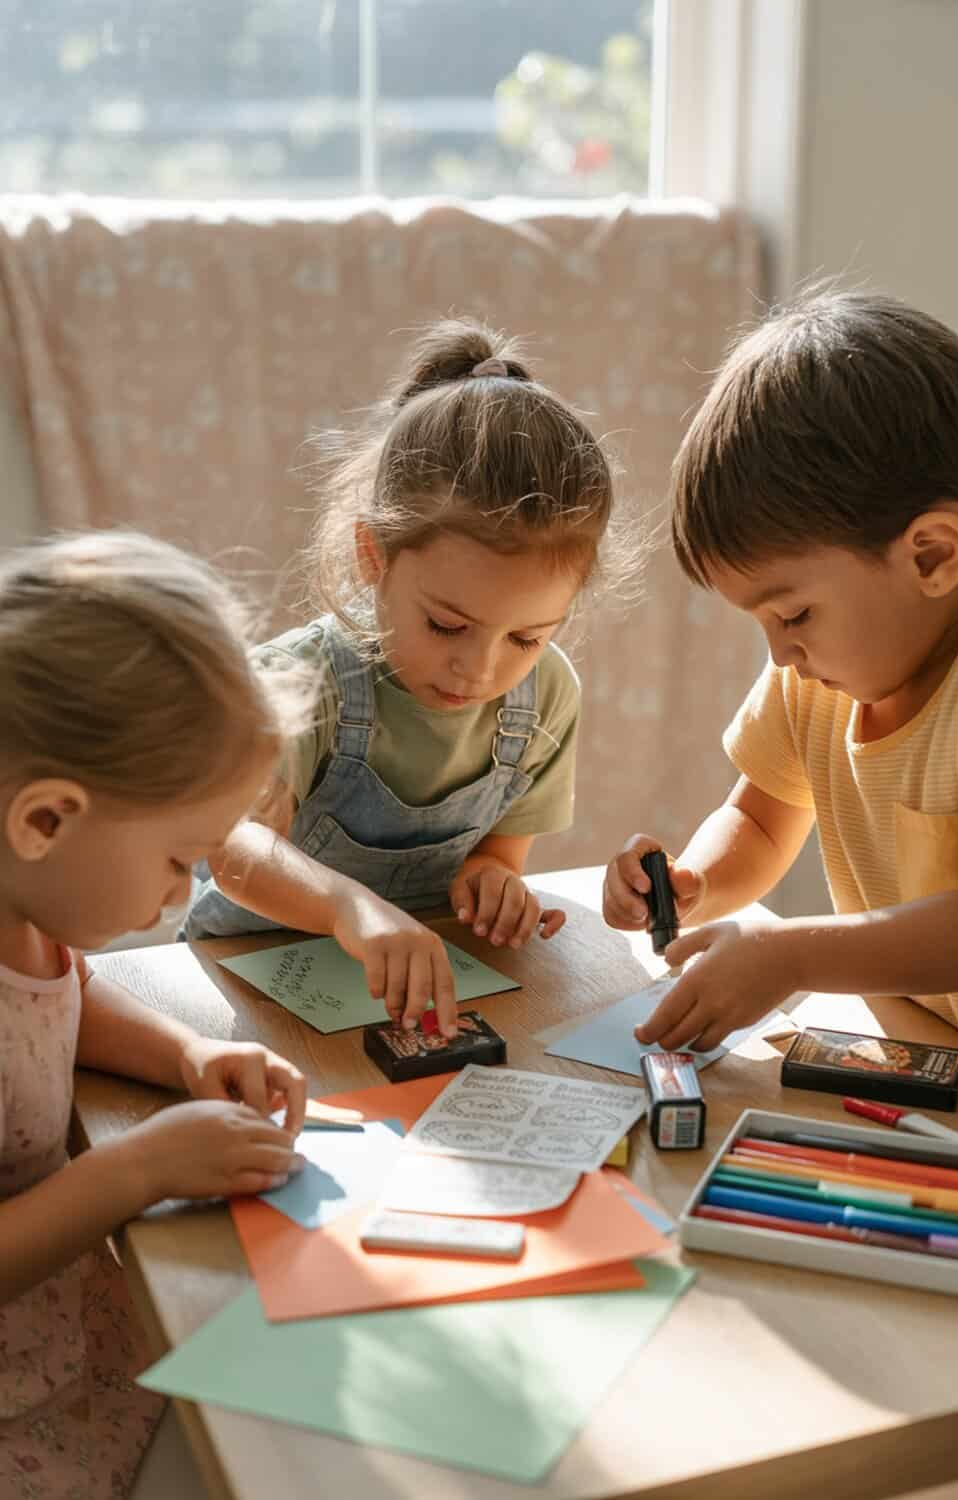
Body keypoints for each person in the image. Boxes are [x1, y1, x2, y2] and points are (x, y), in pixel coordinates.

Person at [187, 318, 628, 1037]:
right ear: (374, 555)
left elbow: (497, 854)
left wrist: (493, 884)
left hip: (411, 1004)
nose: (480, 669)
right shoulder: (305, 682)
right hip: (246, 992)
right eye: (448, 626)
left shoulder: (546, 695)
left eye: (526, 637)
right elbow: (232, 848)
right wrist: (348, 909)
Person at [602, 290, 958, 1054]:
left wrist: (789, 955)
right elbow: (757, 823)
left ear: (932, 555)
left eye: (792, 616)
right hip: (941, 1055)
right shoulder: (814, 682)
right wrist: (693, 887)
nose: (779, 653)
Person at [0, 531, 311, 1499]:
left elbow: (65, 996)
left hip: (79, 1323)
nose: (183, 898)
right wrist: (138, 1169)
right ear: (44, 820)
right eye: (180, 859)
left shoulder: (30, 913)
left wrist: (183, 1056)